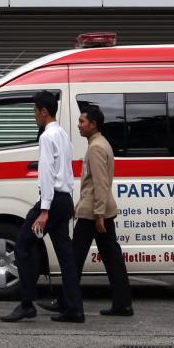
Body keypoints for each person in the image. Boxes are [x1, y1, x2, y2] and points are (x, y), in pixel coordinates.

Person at [39, 103, 133, 316]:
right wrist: (80, 204)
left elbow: (100, 184)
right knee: (112, 259)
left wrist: (98, 214)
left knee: (73, 259)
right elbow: (93, 183)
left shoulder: (96, 147)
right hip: (94, 209)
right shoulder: (99, 143)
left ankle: (66, 302)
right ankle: (123, 304)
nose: (78, 125)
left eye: (82, 122)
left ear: (93, 124)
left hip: (94, 215)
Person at [0, 90, 84, 323]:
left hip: (52, 201)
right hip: (64, 199)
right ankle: (74, 307)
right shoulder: (63, 135)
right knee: (65, 256)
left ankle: (27, 303)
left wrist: (44, 210)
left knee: (22, 247)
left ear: (44, 111)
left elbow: (47, 173)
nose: (34, 116)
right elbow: (66, 171)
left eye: (35, 111)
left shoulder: (47, 137)